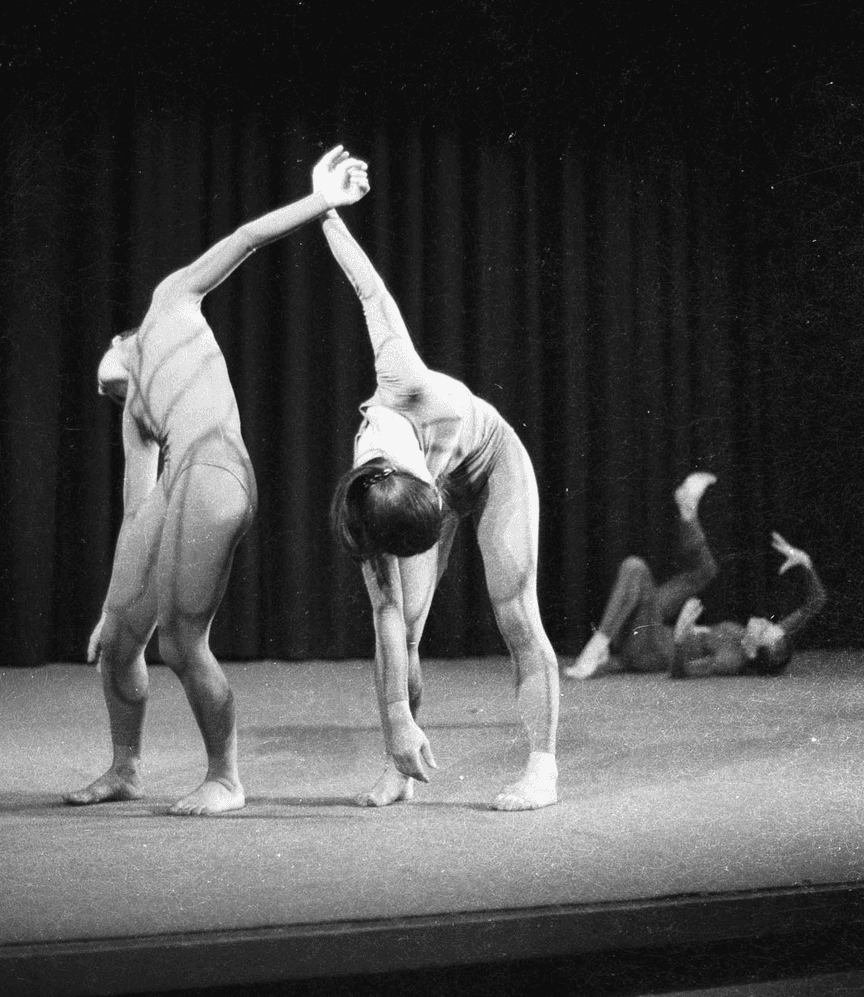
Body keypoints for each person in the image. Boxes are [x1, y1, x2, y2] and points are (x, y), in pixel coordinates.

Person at [65, 146, 370, 816]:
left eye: (106, 380)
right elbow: (137, 507)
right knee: (117, 643)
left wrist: (320, 201)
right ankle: (125, 766)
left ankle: (225, 777)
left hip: (216, 469)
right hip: (176, 487)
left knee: (179, 640)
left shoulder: (168, 303)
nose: (105, 394)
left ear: (121, 340)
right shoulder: (136, 415)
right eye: (104, 397)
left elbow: (245, 240)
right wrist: (112, 606)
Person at [319, 171, 559, 812]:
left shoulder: (403, 375)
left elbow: (369, 291)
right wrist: (395, 716)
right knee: (409, 628)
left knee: (515, 611)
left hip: (492, 461)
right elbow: (385, 615)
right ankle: (401, 766)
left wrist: (326, 208)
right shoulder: (365, 508)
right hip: (435, 496)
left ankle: (542, 766)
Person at [565, 473, 826, 679]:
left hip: (649, 652)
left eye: (766, 629)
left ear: (751, 649)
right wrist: (806, 563)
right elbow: (815, 602)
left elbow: (683, 672)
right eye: (772, 625)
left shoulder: (730, 660)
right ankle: (688, 513)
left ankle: (597, 646)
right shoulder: (766, 640)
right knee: (685, 570)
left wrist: (679, 639)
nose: (766, 621)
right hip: (649, 632)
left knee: (636, 567)